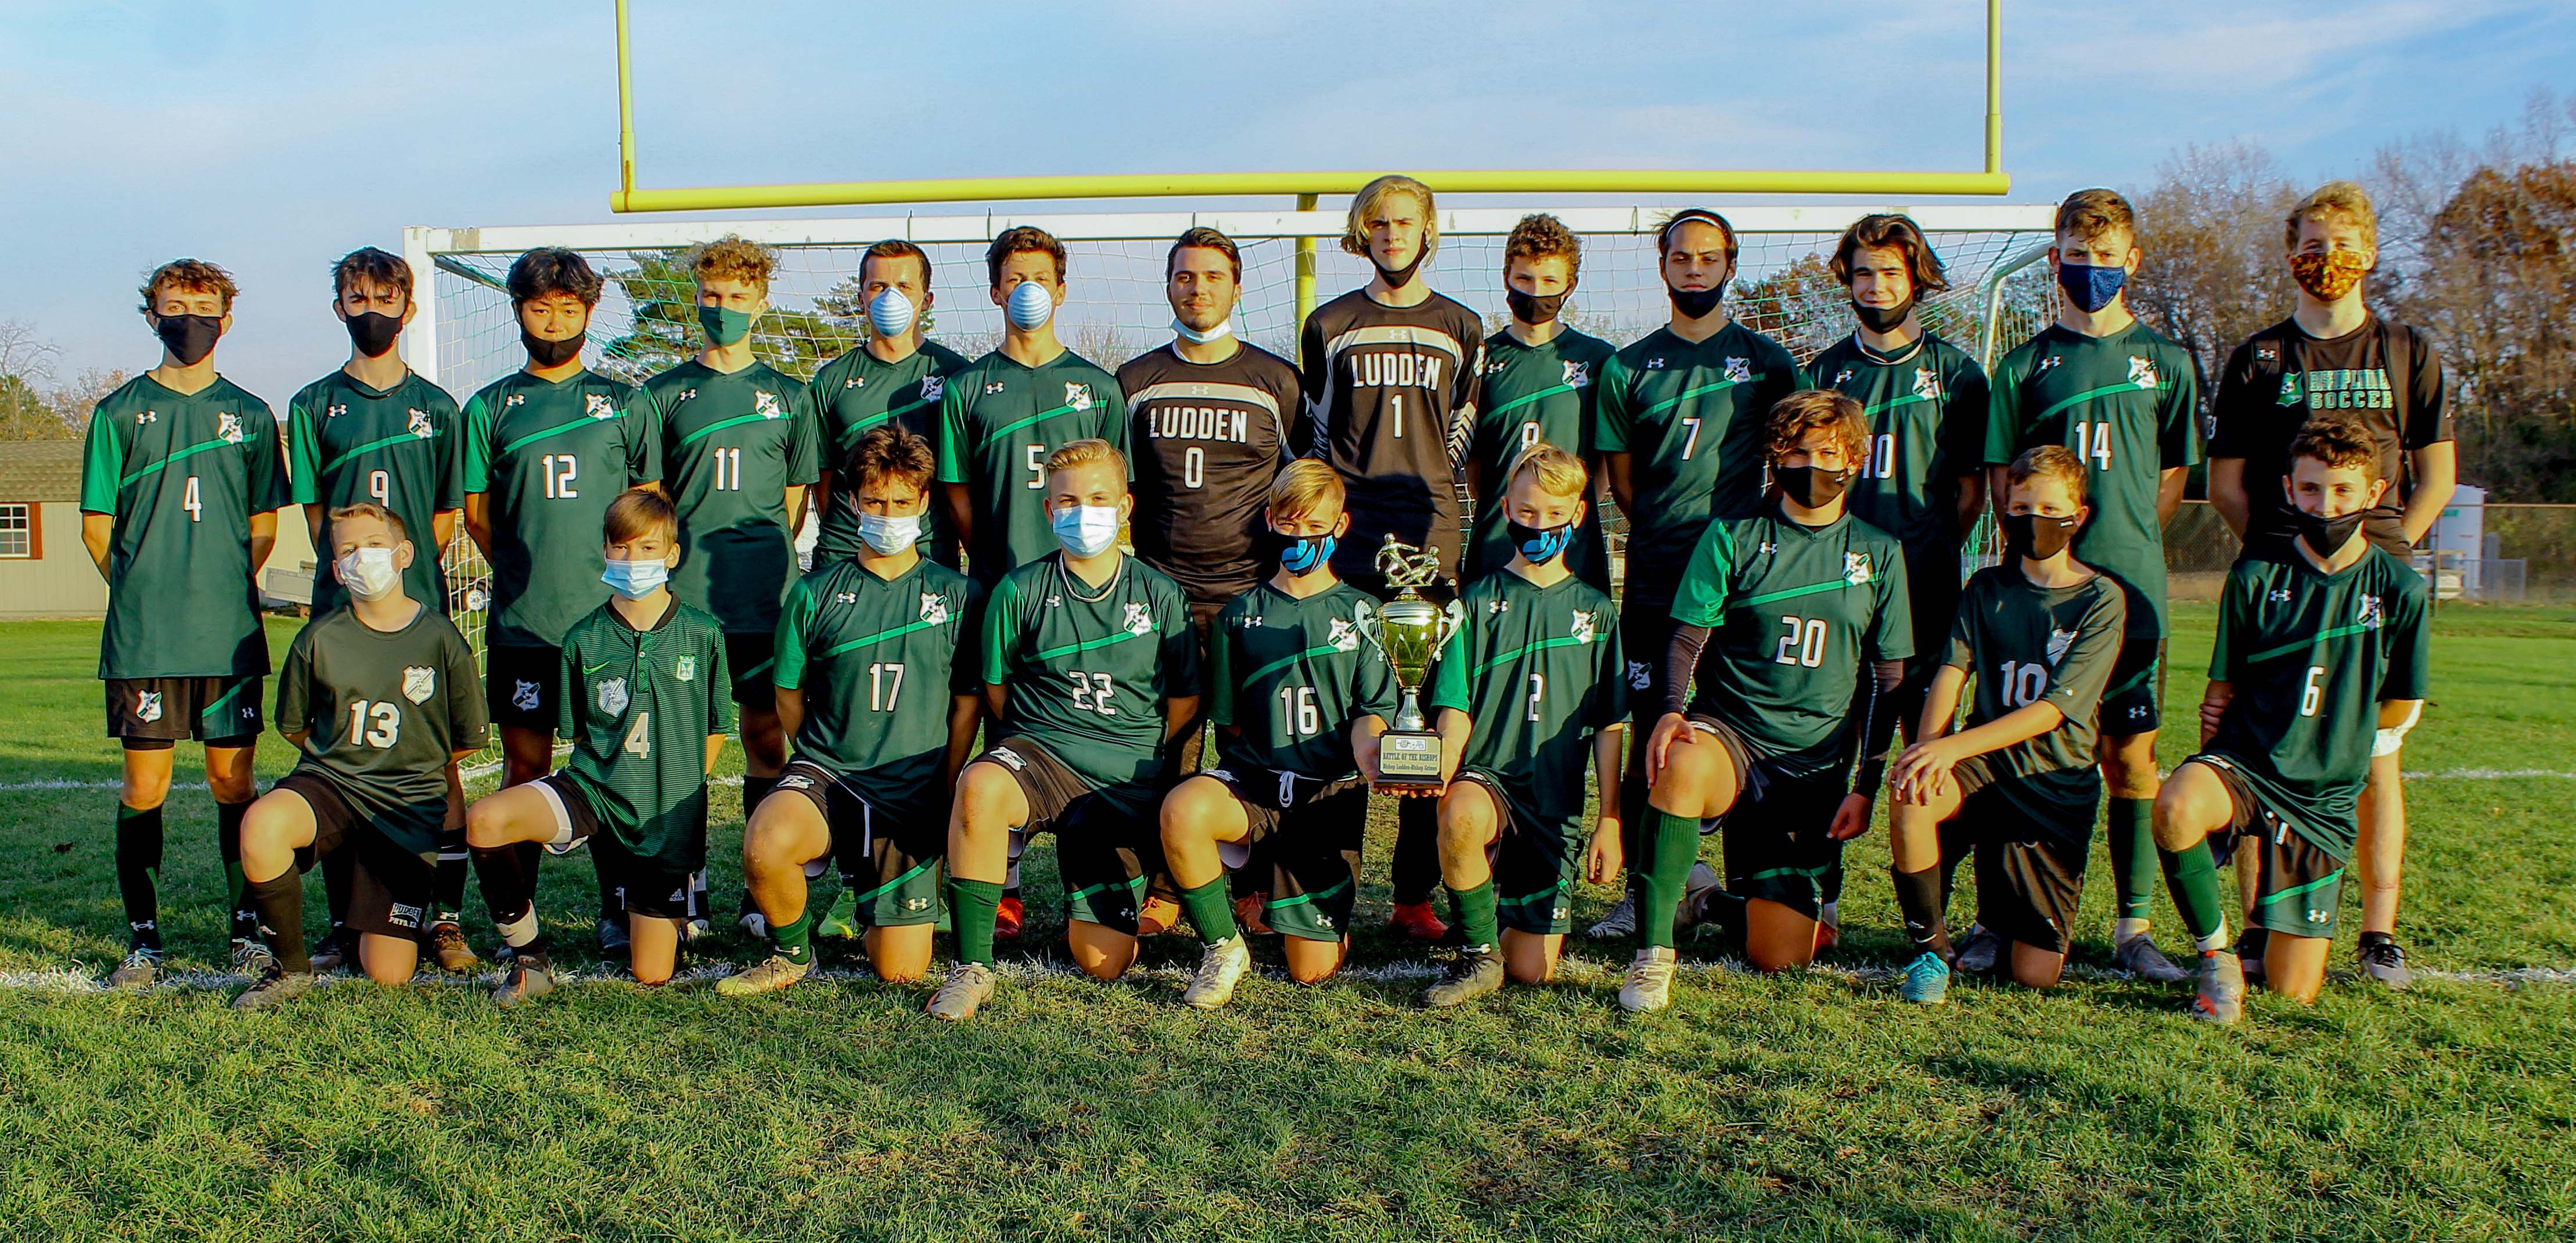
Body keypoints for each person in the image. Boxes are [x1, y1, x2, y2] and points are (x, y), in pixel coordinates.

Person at [2206, 181, 2454, 989]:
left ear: (2369, 253)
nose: (2326, 258)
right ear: (2289, 255)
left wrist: (2382, 555)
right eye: (2311, 245)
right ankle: (2256, 924)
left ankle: (2378, 932)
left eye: (2341, 244)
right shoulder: (2259, 357)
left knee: (2376, 754)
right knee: (2257, 751)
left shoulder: (2407, 350)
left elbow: (2437, 474)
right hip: (2284, 582)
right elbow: (2228, 483)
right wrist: (2282, 557)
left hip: (2369, 584)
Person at [1983, 189, 2201, 984]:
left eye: (2105, 257)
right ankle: (1999, 918)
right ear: (2054, 260)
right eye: (2077, 256)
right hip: (2041, 595)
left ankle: (2132, 926)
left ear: (2131, 260)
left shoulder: (2167, 362)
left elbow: (2172, 476)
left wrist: (2126, 542)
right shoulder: (2023, 365)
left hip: (2133, 592)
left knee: (2130, 758)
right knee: (2018, 748)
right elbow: (2002, 476)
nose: (2091, 269)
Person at [1632, 391, 1909, 1011]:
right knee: (1681, 760)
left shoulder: (1879, 551)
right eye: (1797, 452)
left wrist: (1865, 783)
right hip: (1731, 734)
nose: (1812, 465)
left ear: (1854, 460)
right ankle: (1652, 957)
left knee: (1782, 954)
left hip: (1810, 762)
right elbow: (1686, 639)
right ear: (1775, 458)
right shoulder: (1734, 535)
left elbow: (1886, 678)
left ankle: (1705, 900)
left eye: (1827, 453)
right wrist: (1671, 709)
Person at [2153, 413, 2430, 1021]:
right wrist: (2212, 758)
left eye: (2342, 491)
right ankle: (2217, 955)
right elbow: (2219, 694)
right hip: (2248, 766)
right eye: (2310, 489)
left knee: (2291, 991)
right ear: (2287, 489)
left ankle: (2285, 932)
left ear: (2373, 492)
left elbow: (2400, 703)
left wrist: (2335, 738)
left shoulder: (2400, 589)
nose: (2325, 505)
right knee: (2175, 806)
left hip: (2321, 797)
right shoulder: (2255, 575)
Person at [926, 440, 1199, 1021]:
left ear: (1124, 507)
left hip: (1119, 778)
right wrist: (1047, 733)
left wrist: (1130, 744)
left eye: (1098, 499)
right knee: (980, 786)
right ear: (1049, 511)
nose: (1084, 512)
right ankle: (971, 967)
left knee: (1104, 961)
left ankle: (1096, 885)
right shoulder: (1018, 590)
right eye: (1069, 501)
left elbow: (1184, 700)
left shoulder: (1160, 593)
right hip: (1040, 757)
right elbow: (997, 689)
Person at [1590, 208, 1805, 942]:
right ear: (1662, 265)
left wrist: (1740, 544)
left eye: (1707, 258)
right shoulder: (1627, 366)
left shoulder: (1768, 362)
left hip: (1742, 581)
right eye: (1680, 257)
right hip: (1656, 574)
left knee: (1740, 726)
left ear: (1729, 265)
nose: (1693, 269)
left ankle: (1745, 888)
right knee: (1649, 726)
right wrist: (1667, 531)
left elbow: (1787, 461)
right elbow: (1623, 481)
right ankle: (1647, 891)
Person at [81, 258, 289, 988]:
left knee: (234, 782)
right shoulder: (117, 412)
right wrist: (145, 591)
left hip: (227, 636)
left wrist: (220, 589)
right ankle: (144, 941)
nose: (190, 319)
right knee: (145, 786)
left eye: (204, 308)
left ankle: (246, 933)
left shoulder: (252, 414)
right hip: (146, 637)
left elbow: (263, 524)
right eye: (175, 306)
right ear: (152, 316)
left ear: (226, 320)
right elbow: (97, 526)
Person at [718, 428, 981, 995]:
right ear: (854, 503)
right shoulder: (814, 593)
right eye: (875, 501)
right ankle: (792, 954)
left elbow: (966, 705)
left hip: (911, 787)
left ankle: (871, 898)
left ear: (924, 502)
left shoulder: (959, 595)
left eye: (902, 502)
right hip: (831, 774)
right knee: (766, 842)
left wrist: (945, 779)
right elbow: (788, 694)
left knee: (901, 970)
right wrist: (816, 755)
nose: (889, 514)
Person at [1294, 174, 1486, 941]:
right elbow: (1316, 433)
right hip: (1352, 536)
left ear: (1427, 230)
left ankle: (1412, 893)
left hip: (1430, 532)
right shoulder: (1329, 323)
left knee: (1424, 712)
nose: (1392, 234)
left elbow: (1461, 432)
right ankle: (1325, 889)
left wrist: (1433, 494)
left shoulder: (1462, 325)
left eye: (1404, 222)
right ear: (1361, 233)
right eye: (1378, 223)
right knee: (1346, 707)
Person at [461, 246, 662, 948]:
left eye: (568, 309)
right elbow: (478, 515)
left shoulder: (624, 401)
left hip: (609, 625)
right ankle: (517, 918)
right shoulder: (490, 406)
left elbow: (648, 508)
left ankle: (618, 909)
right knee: (525, 766)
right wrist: (529, 569)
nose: (553, 322)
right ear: (518, 310)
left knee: (611, 764)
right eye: (540, 308)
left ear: (589, 311)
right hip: (525, 624)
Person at [459, 488, 731, 1000]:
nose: (633, 559)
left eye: (648, 548)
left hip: (664, 812)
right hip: (596, 791)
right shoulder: (583, 638)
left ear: (672, 554)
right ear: (605, 550)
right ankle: (530, 960)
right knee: (486, 819)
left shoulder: (702, 632)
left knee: (652, 971)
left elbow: (715, 728)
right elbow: (582, 733)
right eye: (621, 547)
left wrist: (677, 794)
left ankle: (672, 905)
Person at [937, 225, 1129, 938]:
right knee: (1004, 732)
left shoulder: (1098, 385)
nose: (1028, 290)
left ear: (1061, 289)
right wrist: (995, 556)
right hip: (1002, 585)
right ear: (995, 291)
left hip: (1083, 591)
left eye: (1040, 278)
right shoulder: (967, 386)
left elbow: (1117, 489)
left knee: (1086, 719)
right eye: (1014, 278)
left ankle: (1101, 873)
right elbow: (958, 493)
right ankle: (1005, 887)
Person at [285, 247, 474, 973]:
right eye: (358, 298)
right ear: (339, 308)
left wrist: (399, 582)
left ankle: (444, 917)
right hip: (340, 617)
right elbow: (317, 516)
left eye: (385, 298)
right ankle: (345, 920)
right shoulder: (311, 404)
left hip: (418, 611)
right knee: (339, 762)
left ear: (408, 307)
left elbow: (444, 518)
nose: (372, 311)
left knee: (440, 765)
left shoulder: (439, 407)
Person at [1881, 446, 2124, 1003]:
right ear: (2005, 512)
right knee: (1914, 792)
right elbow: (1951, 670)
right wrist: (1928, 748)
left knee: (2033, 973)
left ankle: (1999, 918)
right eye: (2021, 508)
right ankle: (1930, 951)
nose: (2034, 520)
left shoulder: (2101, 598)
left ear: (2079, 516)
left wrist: (1952, 747)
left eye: (2050, 509)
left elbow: (2053, 710)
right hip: (1985, 767)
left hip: (2052, 780)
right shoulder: (1986, 587)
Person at [1158, 460, 1398, 1006]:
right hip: (1258, 781)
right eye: (1289, 523)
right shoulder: (1240, 613)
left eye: (1314, 525)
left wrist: (1370, 753)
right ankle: (1223, 946)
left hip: (1325, 794)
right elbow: (1231, 723)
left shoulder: (1366, 613)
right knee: (1184, 808)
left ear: (1340, 526)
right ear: (1269, 520)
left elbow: (1372, 711)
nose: (1300, 536)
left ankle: (1320, 921)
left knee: (1311, 971)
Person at [634, 235, 821, 935]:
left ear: (761, 303)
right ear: (696, 299)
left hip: (762, 599)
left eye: (738, 296)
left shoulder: (790, 395)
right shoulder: (662, 393)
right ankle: (685, 891)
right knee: (683, 749)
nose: (724, 307)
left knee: (766, 739)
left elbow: (794, 503)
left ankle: (755, 889)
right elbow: (651, 499)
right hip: (684, 602)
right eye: (712, 295)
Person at [232, 504, 487, 1007]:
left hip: (405, 802)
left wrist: (408, 765)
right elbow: (295, 726)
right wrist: (345, 760)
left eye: (373, 544)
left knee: (389, 973)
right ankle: (290, 968)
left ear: (404, 554)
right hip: (334, 783)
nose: (361, 557)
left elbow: (467, 736)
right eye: (348, 549)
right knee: (262, 824)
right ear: (335, 568)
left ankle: (386, 920)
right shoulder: (319, 638)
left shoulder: (441, 637)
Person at [1417, 445, 1628, 1008]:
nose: (1539, 524)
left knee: (1533, 971)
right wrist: (1440, 767)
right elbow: (1455, 707)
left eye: (1554, 513)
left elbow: (1609, 725)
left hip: (1553, 803)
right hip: (1489, 781)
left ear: (1577, 515)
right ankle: (1479, 954)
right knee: (1461, 812)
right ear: (1506, 508)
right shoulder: (1474, 602)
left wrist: (1609, 818)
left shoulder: (1596, 612)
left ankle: (1494, 911)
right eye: (1528, 511)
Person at [1120, 226, 1300, 774]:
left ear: (1237, 289)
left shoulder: (1277, 381)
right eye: (1186, 276)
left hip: (1250, 593)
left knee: (1252, 755)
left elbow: (1303, 487)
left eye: (1214, 277)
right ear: (1169, 287)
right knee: (1162, 755)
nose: (1198, 288)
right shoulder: (1135, 380)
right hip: (1160, 594)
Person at [1463, 214, 1614, 590]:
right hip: (1498, 544)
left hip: (1574, 548)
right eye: (1525, 279)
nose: (1535, 292)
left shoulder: (1598, 359)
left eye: (1549, 281)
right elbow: (1475, 468)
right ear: (1506, 278)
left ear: (1569, 285)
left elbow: (1606, 463)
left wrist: (1564, 508)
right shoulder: (1481, 358)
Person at [810, 239, 970, 570]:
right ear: (862, 299)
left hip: (929, 554)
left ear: (927, 300)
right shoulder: (831, 380)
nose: (890, 297)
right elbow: (821, 480)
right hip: (844, 556)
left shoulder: (958, 375)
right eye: (878, 287)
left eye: (904, 286)